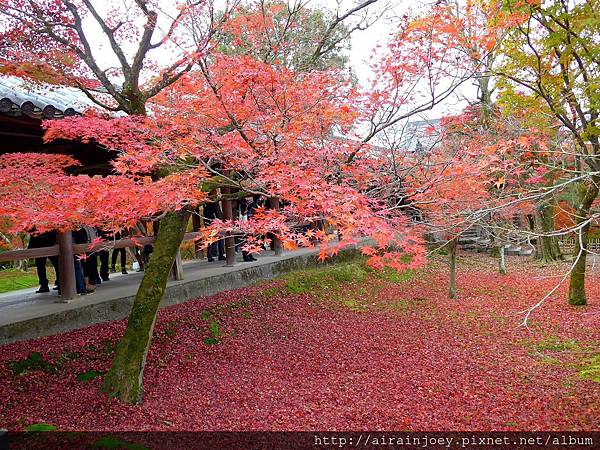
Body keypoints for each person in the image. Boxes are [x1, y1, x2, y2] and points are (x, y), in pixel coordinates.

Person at [28, 229, 59, 293]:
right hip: (41, 245)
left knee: (57, 265)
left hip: (49, 244)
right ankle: (44, 285)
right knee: (40, 266)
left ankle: (58, 282)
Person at [204, 197, 225, 262]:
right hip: (215, 222)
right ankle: (220, 254)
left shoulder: (206, 204)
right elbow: (218, 213)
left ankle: (210, 255)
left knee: (210, 239)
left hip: (208, 221)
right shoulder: (214, 203)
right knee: (220, 238)